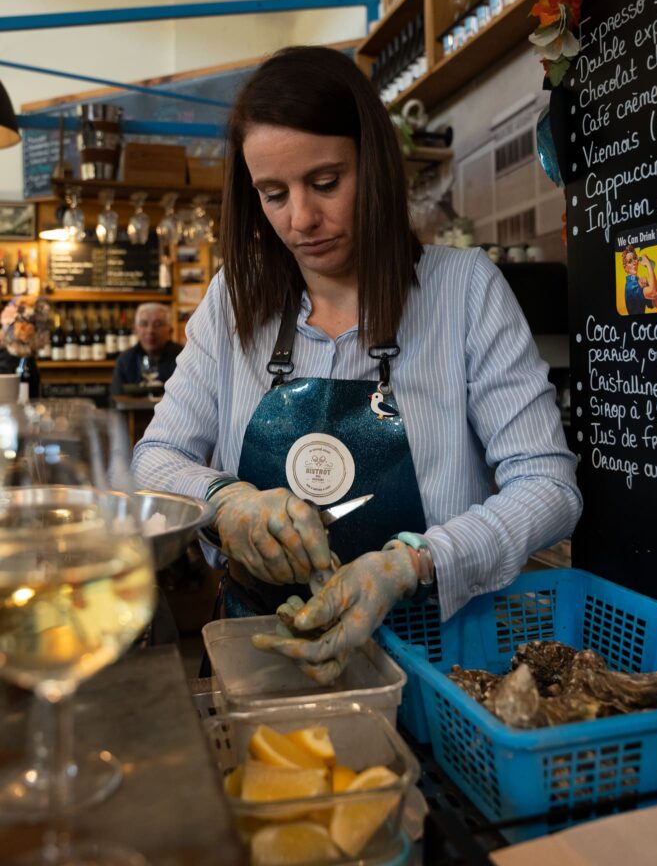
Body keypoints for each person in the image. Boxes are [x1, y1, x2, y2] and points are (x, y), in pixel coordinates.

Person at [133, 46, 581, 684]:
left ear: (373, 165)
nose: (302, 220)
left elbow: (548, 485)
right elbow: (153, 458)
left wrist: (414, 562)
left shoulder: (463, 291)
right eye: (273, 194)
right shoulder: (235, 299)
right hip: (262, 653)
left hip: (436, 664)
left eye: (325, 183)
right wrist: (224, 500)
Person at [110, 303, 183, 397]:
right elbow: (116, 399)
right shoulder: (125, 360)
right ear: (135, 329)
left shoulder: (183, 357)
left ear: (170, 330)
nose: (150, 331)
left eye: (158, 324)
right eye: (144, 324)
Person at [622, 245, 657, 315]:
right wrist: (648, 265)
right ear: (625, 268)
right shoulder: (631, 286)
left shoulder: (638, 283)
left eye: (635, 258)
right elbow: (654, 293)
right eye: (630, 261)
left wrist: (647, 285)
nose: (634, 262)